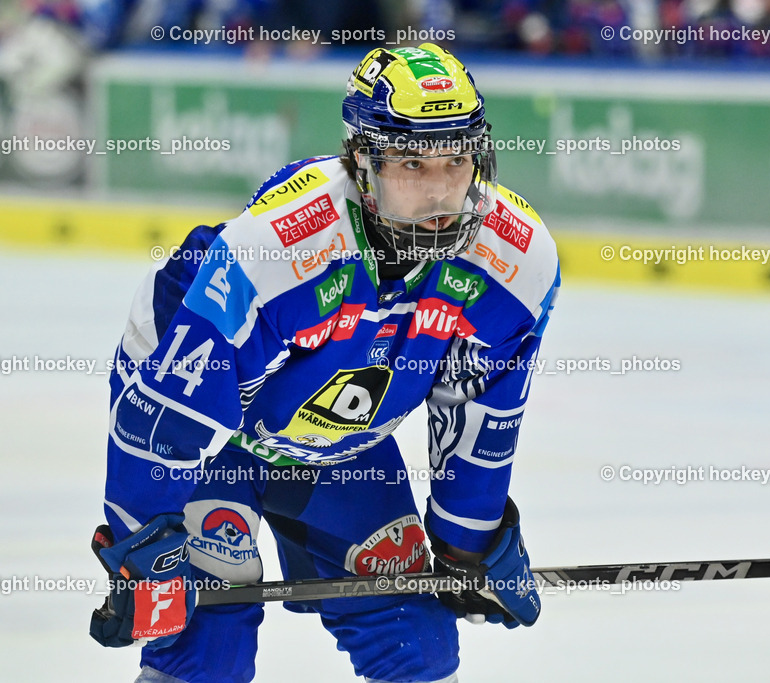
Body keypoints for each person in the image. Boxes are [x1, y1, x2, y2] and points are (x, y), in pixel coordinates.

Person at [89, 42, 560, 683]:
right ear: (362, 161)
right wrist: (142, 547)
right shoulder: (278, 248)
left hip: (340, 441)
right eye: (413, 164)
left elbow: (481, 409)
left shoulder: (515, 259)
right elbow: (169, 410)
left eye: (458, 160)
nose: (444, 190)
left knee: (418, 647)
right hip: (212, 438)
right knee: (206, 648)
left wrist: (466, 544)